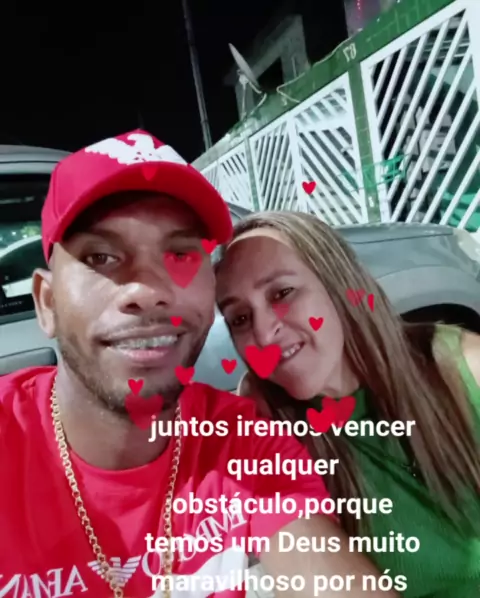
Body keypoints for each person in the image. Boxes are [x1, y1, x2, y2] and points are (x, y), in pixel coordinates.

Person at [0, 131, 399, 598]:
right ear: (47, 303)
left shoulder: (242, 443)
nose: (148, 290)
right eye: (101, 257)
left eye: (181, 255)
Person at [215, 210, 480, 598]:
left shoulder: (462, 368)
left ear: (339, 285)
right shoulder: (268, 423)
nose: (263, 332)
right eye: (240, 318)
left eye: (282, 293)